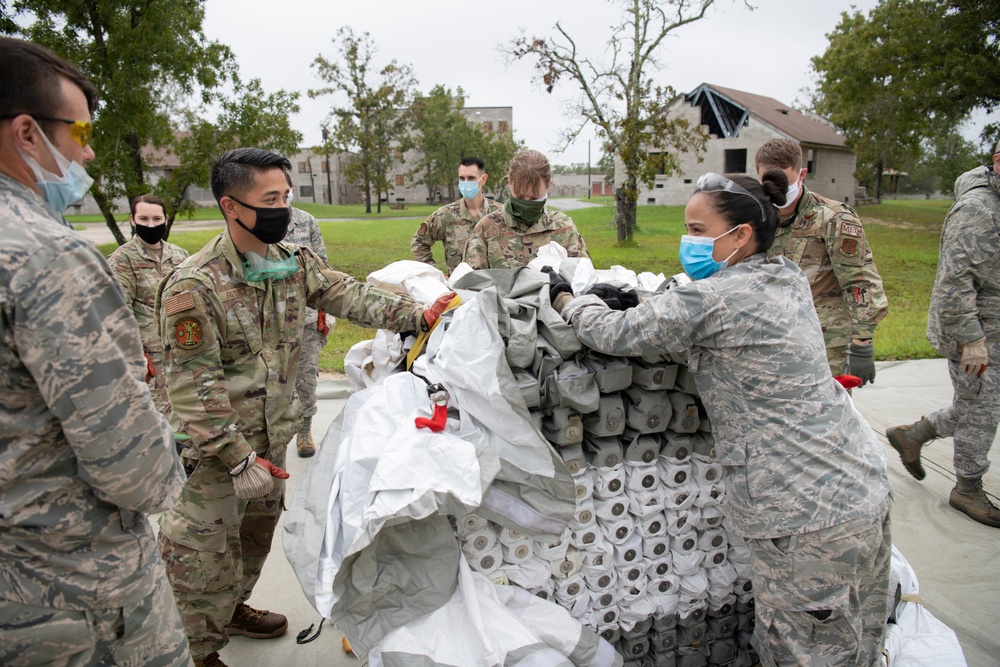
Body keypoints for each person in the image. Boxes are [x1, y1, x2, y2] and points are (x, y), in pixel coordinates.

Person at [552, 171, 891, 666]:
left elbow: (613, 333)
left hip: (804, 518)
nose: (686, 240)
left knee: (803, 654)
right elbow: (704, 310)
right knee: (858, 646)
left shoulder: (711, 300)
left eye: (696, 228)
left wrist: (568, 298)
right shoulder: (787, 276)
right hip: (862, 489)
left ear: (741, 235)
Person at [156, 147, 454, 667]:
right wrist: (235, 457)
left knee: (253, 540)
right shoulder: (194, 285)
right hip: (218, 453)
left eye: (286, 196)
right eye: (270, 199)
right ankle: (197, 652)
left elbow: (347, 294)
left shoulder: (291, 261)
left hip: (271, 441)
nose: (284, 209)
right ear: (231, 206)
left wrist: (417, 312)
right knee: (202, 555)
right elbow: (191, 387)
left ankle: (232, 608)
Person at [0, 37, 190, 666]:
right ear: (27, 132)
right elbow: (135, 467)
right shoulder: (45, 256)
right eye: (79, 130)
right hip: (70, 591)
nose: (87, 150)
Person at [887, 144, 1000, 528]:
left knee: (978, 406)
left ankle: (915, 434)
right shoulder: (978, 211)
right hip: (976, 334)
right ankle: (967, 488)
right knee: (981, 410)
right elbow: (955, 283)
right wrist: (972, 339)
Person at [754, 138, 888, 383]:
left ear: (802, 174)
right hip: (773, 333)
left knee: (825, 413)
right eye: (769, 181)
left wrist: (861, 343)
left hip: (824, 337)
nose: (778, 188)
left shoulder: (833, 218)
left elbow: (859, 282)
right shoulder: (758, 218)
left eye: (784, 179)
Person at [107, 194, 190, 414]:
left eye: (156, 219)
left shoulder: (179, 255)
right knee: (159, 416)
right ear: (133, 220)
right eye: (143, 219)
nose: (151, 225)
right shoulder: (122, 260)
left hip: (182, 348)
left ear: (165, 218)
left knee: (187, 411)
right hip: (149, 357)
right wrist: (136, 355)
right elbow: (118, 313)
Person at [464, 149, 589, 269]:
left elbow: (583, 281)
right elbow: (469, 284)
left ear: (548, 185)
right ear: (509, 182)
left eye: (535, 197)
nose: (527, 202)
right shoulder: (486, 229)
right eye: (520, 196)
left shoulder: (564, 228)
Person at [281, 193, 332, 457]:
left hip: (306, 316)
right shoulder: (255, 222)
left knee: (306, 377)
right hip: (270, 319)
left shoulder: (306, 221)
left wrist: (323, 311)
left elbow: (322, 266)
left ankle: (304, 429)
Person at [411, 156, 503, 274]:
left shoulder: (499, 214)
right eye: (461, 178)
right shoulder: (446, 215)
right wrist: (433, 273)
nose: (465, 183)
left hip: (493, 287)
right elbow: (418, 241)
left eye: (471, 178)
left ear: (483, 179)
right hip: (458, 288)